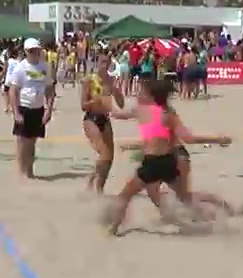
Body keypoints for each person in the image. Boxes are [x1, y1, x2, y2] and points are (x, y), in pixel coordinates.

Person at [104, 79, 200, 235]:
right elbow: (188, 138)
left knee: (124, 195)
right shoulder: (168, 113)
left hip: (152, 163)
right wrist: (216, 139)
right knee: (185, 197)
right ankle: (214, 219)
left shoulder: (141, 110)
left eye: (142, 91)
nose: (138, 94)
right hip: (169, 161)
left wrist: (109, 95)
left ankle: (112, 229)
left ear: (151, 96)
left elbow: (116, 114)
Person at [8, 38, 55, 179]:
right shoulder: (21, 68)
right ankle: (22, 171)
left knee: (32, 142)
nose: (34, 53)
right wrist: (15, 112)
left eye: (36, 50)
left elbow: (50, 89)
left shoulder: (45, 67)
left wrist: (49, 110)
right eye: (31, 51)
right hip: (24, 107)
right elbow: (13, 90)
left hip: (38, 108)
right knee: (23, 142)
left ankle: (29, 170)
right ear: (26, 52)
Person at [81, 48, 123, 194]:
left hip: (104, 118)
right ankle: (91, 180)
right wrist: (94, 101)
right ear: (96, 63)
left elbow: (121, 104)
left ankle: (100, 188)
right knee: (104, 153)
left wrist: (117, 92)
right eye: (102, 62)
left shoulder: (110, 80)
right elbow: (83, 106)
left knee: (110, 157)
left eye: (107, 62)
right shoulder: (89, 80)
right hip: (91, 118)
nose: (104, 65)